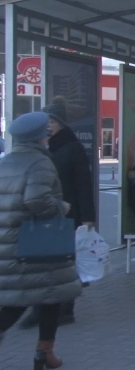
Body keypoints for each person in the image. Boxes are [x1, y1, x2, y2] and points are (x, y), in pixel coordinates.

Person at [0, 111, 82, 369]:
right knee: (27, 299)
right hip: (37, 241)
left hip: (10, 239)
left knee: (47, 295)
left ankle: (45, 352)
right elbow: (36, 201)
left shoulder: (6, 161)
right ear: (41, 137)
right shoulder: (40, 163)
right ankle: (43, 351)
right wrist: (61, 207)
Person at [17, 98, 95, 329]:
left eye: (52, 121)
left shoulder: (72, 147)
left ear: (61, 123)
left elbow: (83, 184)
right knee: (39, 265)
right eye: (45, 121)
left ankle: (64, 310)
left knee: (62, 266)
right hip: (41, 214)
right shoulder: (41, 146)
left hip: (67, 216)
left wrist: (88, 217)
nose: (48, 125)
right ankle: (39, 310)